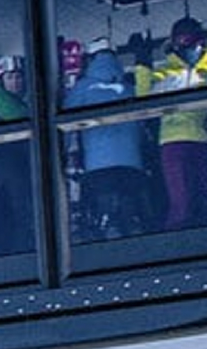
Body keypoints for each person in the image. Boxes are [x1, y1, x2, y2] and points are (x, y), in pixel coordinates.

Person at [143, 18, 207, 229]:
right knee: (181, 198)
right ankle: (178, 238)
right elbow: (144, 98)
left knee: (201, 194)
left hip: (200, 138)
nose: (192, 48)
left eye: (195, 43)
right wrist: (142, 63)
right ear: (175, 44)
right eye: (186, 43)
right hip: (173, 140)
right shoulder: (167, 71)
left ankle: (203, 235)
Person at [63, 49, 153, 237]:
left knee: (105, 212)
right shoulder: (128, 88)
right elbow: (143, 122)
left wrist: (63, 154)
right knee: (129, 209)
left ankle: (110, 236)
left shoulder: (83, 88)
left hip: (98, 164)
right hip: (131, 162)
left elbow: (65, 122)